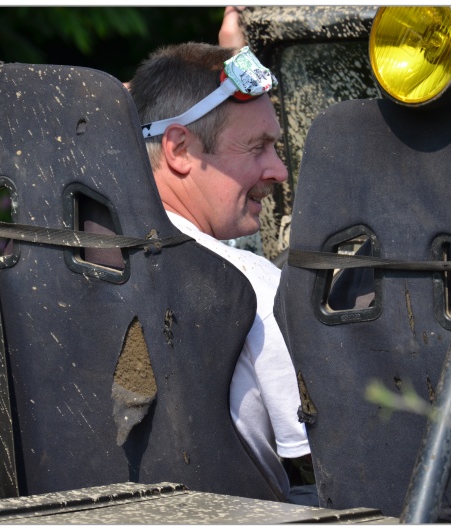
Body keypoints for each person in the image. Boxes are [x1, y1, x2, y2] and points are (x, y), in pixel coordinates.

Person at [128, 42, 316, 506]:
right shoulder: (254, 288)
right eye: (258, 147)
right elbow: (326, 459)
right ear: (179, 149)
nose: (278, 171)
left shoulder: (50, 264)